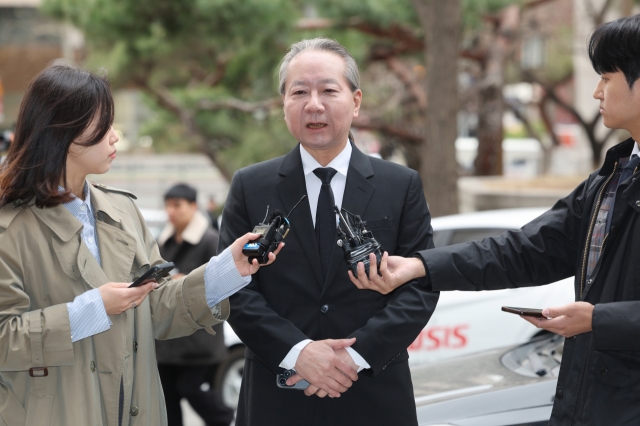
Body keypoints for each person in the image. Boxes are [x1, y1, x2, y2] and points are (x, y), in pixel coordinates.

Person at [350, 15, 640, 426]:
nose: (596, 91)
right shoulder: (613, 175)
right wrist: (419, 266)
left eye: (606, 78)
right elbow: (524, 250)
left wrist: (597, 320)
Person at [0, 65, 281, 426]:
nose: (115, 136)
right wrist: (88, 310)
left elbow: (155, 309)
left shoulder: (124, 210)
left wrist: (228, 269)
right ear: (62, 129)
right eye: (103, 125)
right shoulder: (10, 227)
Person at [217, 38, 439, 426]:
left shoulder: (400, 185)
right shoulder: (251, 186)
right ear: (283, 104)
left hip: (373, 392)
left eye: (328, 90)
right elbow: (233, 287)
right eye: (299, 92)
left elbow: (420, 286)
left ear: (355, 101)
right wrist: (298, 352)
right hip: (278, 392)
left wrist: (351, 358)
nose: (314, 104)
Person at [155, 183, 233, 426]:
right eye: (168, 205)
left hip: (199, 341)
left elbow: (222, 281)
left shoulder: (210, 240)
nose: (171, 211)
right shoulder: (163, 241)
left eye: (177, 205)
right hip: (166, 340)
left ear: (193, 206)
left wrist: (186, 282)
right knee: (167, 402)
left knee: (194, 390)